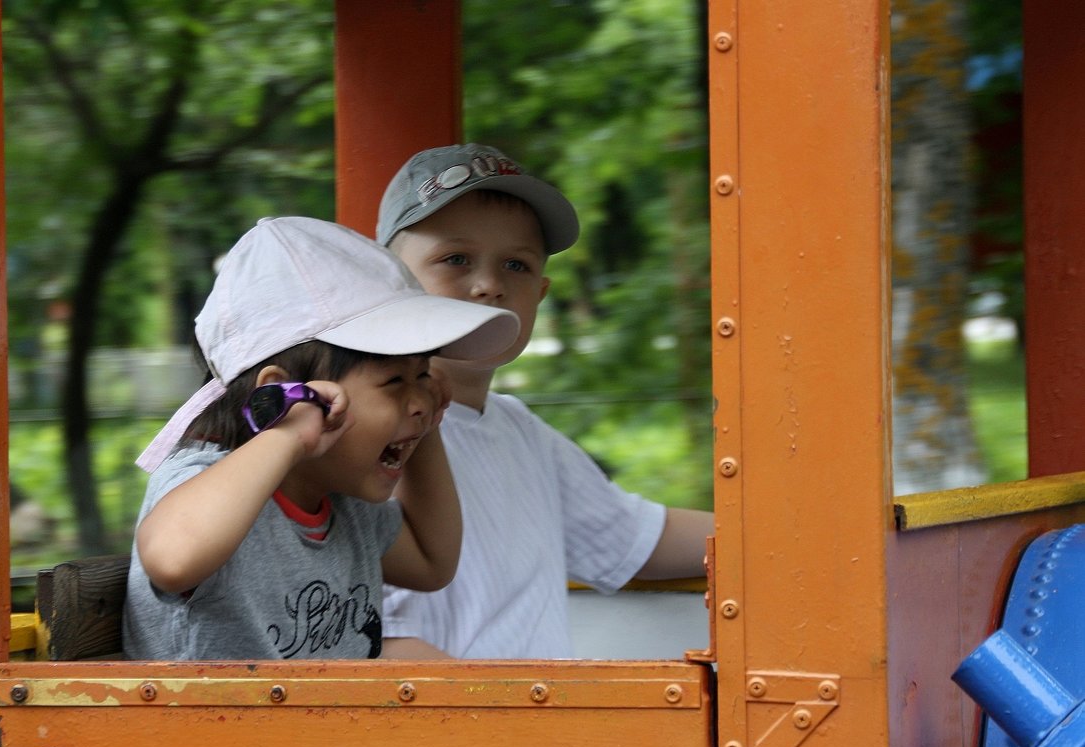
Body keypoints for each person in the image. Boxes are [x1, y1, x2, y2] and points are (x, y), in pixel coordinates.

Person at [121, 216, 520, 661]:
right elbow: (173, 560)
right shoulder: (208, 484)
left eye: (423, 374)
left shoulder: (345, 510)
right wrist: (287, 434)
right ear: (282, 392)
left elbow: (433, 563)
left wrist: (427, 427)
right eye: (393, 381)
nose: (421, 400)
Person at [374, 143, 714, 659]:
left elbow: (639, 540)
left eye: (516, 265)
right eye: (455, 259)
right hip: (452, 726)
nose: (489, 285)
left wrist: (796, 530)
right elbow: (376, 640)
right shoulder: (367, 436)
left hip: (533, 719)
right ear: (386, 280)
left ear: (542, 294)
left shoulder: (520, 432)